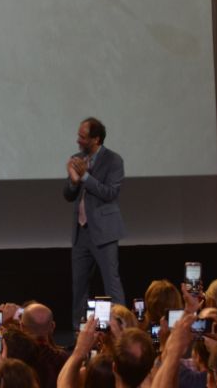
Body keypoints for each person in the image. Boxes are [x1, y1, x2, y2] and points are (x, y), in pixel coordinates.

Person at [64, 117, 126, 321]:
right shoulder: (76, 158)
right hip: (81, 232)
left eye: (82, 137)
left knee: (111, 284)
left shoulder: (114, 160)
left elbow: (110, 193)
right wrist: (73, 182)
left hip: (104, 232)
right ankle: (78, 332)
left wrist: (85, 178)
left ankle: (121, 330)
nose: (78, 140)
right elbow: (68, 194)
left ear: (96, 139)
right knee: (78, 286)